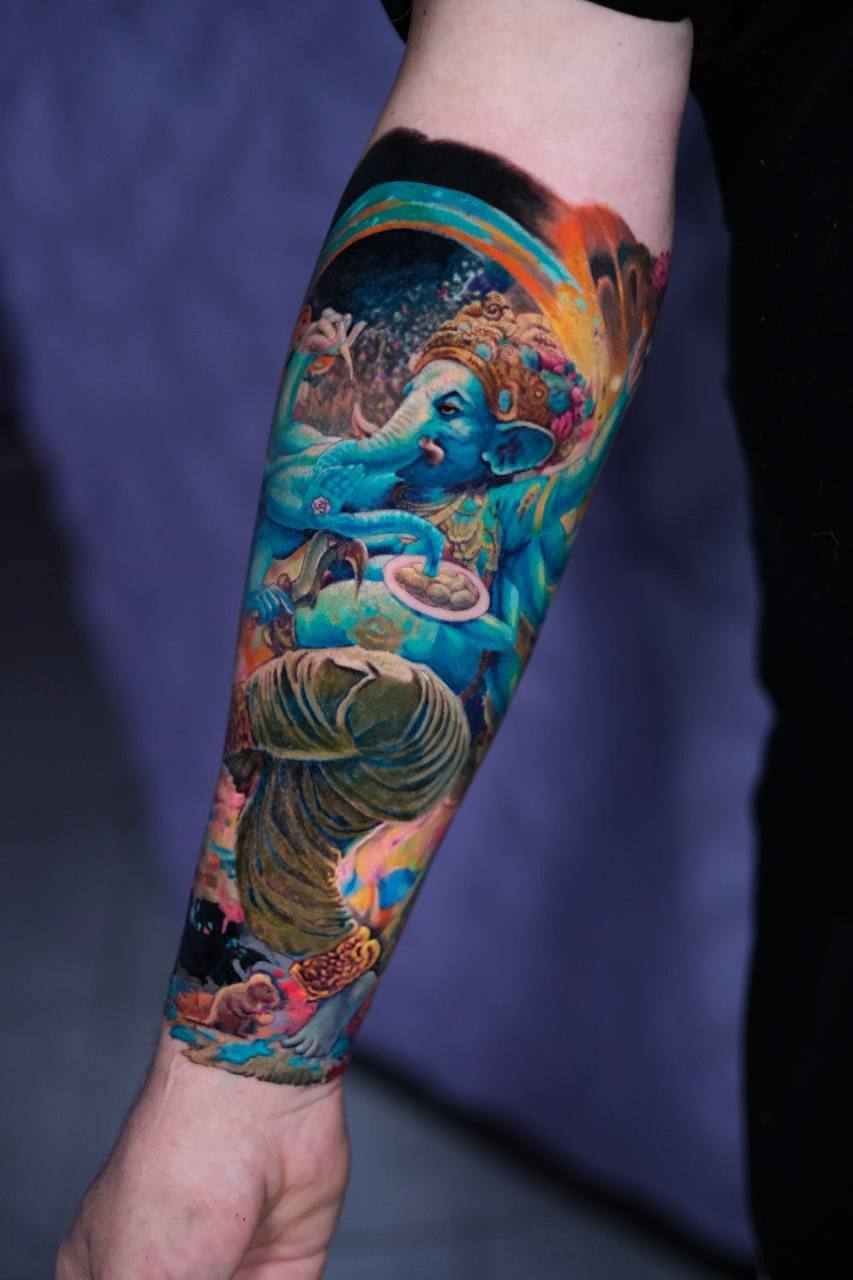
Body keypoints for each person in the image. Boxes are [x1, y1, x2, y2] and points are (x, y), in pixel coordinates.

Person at [55, 2, 851, 1277]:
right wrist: (241, 1074)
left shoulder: (485, 498)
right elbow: (538, 81)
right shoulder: (405, 476)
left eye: (458, 426)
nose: (431, 439)